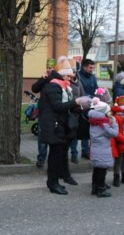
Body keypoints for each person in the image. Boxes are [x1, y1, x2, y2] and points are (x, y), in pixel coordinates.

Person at [38, 57, 87, 195]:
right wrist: (75, 102)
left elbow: (64, 107)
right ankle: (53, 184)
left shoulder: (62, 85)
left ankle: (53, 181)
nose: (70, 77)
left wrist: (78, 106)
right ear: (61, 75)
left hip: (59, 125)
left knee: (58, 154)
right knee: (54, 156)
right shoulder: (54, 85)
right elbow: (58, 106)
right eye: (67, 75)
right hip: (54, 126)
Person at [88, 98, 118, 197]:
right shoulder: (103, 123)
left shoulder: (94, 120)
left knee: (96, 169)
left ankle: (94, 187)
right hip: (102, 149)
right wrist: (114, 123)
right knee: (102, 171)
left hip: (96, 148)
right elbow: (114, 133)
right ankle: (101, 189)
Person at [31, 58, 56, 168]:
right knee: (42, 137)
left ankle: (52, 159)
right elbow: (34, 89)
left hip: (54, 113)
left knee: (53, 137)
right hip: (43, 112)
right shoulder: (44, 78)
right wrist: (42, 78)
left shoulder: (57, 79)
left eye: (51, 68)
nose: (49, 70)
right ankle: (41, 158)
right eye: (48, 68)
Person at [73, 59, 98, 160]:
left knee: (87, 129)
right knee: (75, 129)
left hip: (90, 106)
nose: (92, 69)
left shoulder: (93, 77)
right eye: (90, 67)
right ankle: (74, 152)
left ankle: (86, 151)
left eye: (93, 68)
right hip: (79, 106)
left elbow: (96, 89)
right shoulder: (78, 76)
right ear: (84, 67)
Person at [68, 64, 86, 164]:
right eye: (71, 72)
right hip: (67, 111)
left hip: (76, 113)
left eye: (74, 72)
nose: (72, 74)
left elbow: (83, 95)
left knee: (74, 134)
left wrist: (81, 105)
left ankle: (74, 154)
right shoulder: (66, 82)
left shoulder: (78, 83)